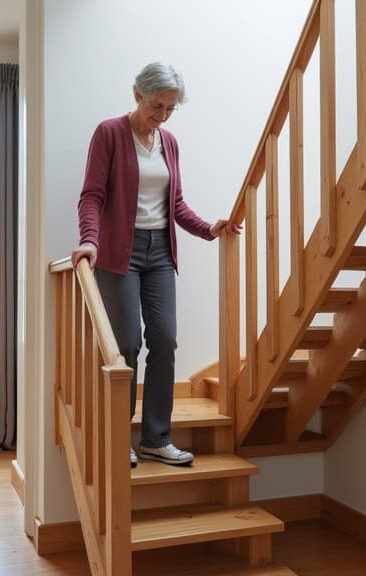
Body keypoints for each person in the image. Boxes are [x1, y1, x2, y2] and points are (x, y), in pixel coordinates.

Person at [72, 63, 241, 468]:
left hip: (161, 253)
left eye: (170, 109)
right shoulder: (110, 133)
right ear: (136, 95)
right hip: (119, 253)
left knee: (164, 339)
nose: (161, 116)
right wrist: (90, 240)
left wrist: (207, 229)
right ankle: (117, 435)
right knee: (127, 343)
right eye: (156, 106)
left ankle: (155, 437)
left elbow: (175, 204)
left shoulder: (169, 143)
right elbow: (91, 196)